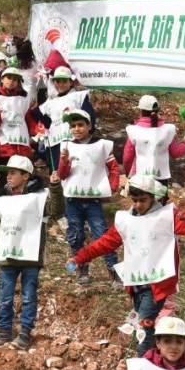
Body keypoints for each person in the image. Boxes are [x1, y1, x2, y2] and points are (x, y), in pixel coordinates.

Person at [69, 176, 185, 354]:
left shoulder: (166, 217)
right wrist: (80, 257)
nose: (138, 205)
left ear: (153, 197)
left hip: (157, 283)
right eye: (134, 200)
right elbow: (105, 243)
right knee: (142, 321)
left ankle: (142, 361)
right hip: (135, 284)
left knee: (143, 324)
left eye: (143, 200)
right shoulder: (124, 221)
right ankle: (154, 357)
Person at [0, 154, 63, 350]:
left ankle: (25, 332)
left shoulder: (39, 197)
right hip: (7, 257)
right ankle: (4, 332)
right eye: (7, 174)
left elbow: (56, 210)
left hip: (30, 256)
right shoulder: (0, 199)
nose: (8, 177)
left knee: (28, 296)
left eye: (12, 173)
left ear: (26, 176)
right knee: (4, 296)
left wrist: (55, 187)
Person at [57, 110, 121, 284]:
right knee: (76, 235)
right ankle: (81, 269)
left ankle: (114, 271)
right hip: (73, 200)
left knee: (101, 234)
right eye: (73, 126)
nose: (76, 129)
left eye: (80, 125)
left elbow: (113, 168)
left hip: (93, 201)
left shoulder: (102, 145)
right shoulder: (67, 146)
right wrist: (64, 161)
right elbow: (63, 174)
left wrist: (112, 186)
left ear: (89, 125)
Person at [123, 95, 185, 185]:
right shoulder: (167, 130)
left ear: (140, 111)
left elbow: (128, 157)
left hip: (139, 177)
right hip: (161, 179)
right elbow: (175, 152)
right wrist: (184, 143)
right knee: (160, 198)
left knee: (143, 199)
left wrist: (127, 172)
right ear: (157, 111)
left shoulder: (133, 131)